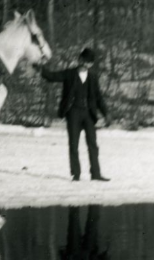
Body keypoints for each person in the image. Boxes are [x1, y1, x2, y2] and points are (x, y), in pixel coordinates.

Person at [38, 47, 111, 182]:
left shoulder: (93, 77)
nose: (86, 64)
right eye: (84, 61)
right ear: (79, 60)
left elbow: (98, 97)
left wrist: (106, 113)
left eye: (89, 63)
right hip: (73, 113)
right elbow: (52, 77)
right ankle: (75, 174)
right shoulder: (69, 74)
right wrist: (40, 68)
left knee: (93, 144)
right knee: (73, 144)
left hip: (89, 114)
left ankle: (95, 173)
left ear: (91, 64)